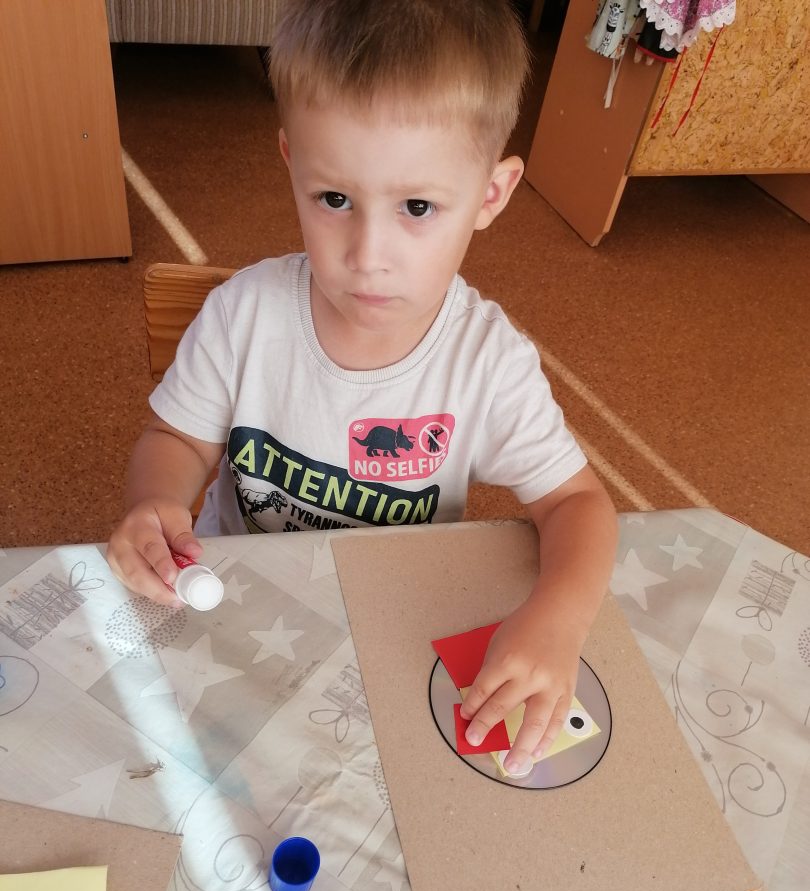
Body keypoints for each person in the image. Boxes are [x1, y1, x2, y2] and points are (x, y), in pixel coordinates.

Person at [106, 0, 618, 776]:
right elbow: (176, 438)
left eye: (417, 207)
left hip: (395, 625)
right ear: (291, 160)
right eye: (335, 199)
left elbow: (577, 504)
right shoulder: (245, 314)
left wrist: (559, 620)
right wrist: (154, 502)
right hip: (240, 602)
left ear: (491, 194)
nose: (367, 254)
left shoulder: (486, 362)